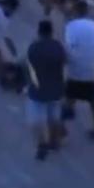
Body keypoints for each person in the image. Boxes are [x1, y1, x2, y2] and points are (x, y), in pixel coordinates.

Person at [64, 0, 94, 140]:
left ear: (75, 11)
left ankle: (60, 129)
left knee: (69, 98)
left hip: (76, 69)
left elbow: (69, 46)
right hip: (90, 70)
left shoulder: (71, 26)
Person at [25, 20, 65, 160]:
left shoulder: (34, 48)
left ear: (39, 31)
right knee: (54, 116)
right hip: (56, 88)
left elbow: (29, 68)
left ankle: (42, 143)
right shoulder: (58, 47)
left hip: (38, 90)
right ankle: (54, 142)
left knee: (36, 120)